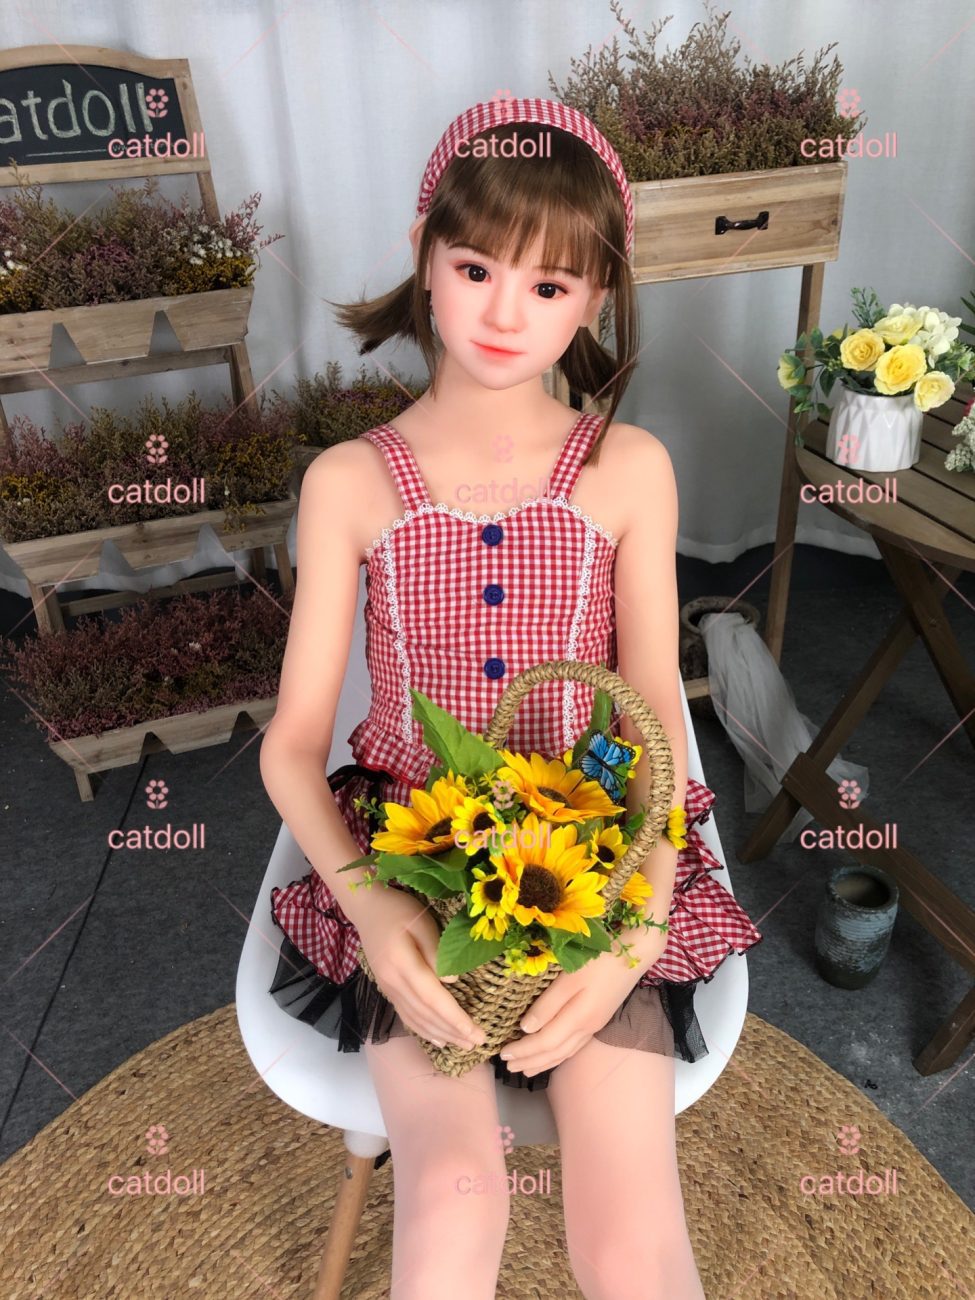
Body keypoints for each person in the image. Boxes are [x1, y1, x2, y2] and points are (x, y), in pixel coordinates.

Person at [260, 96, 762, 1300]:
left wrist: (637, 926)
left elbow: (652, 720)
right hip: (412, 858)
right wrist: (374, 905)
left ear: (596, 298)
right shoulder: (347, 483)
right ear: (424, 255)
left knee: (632, 1238)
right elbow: (291, 747)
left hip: (594, 853)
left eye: (550, 285)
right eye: (477, 267)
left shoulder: (628, 469)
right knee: (451, 1196)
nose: (502, 312)